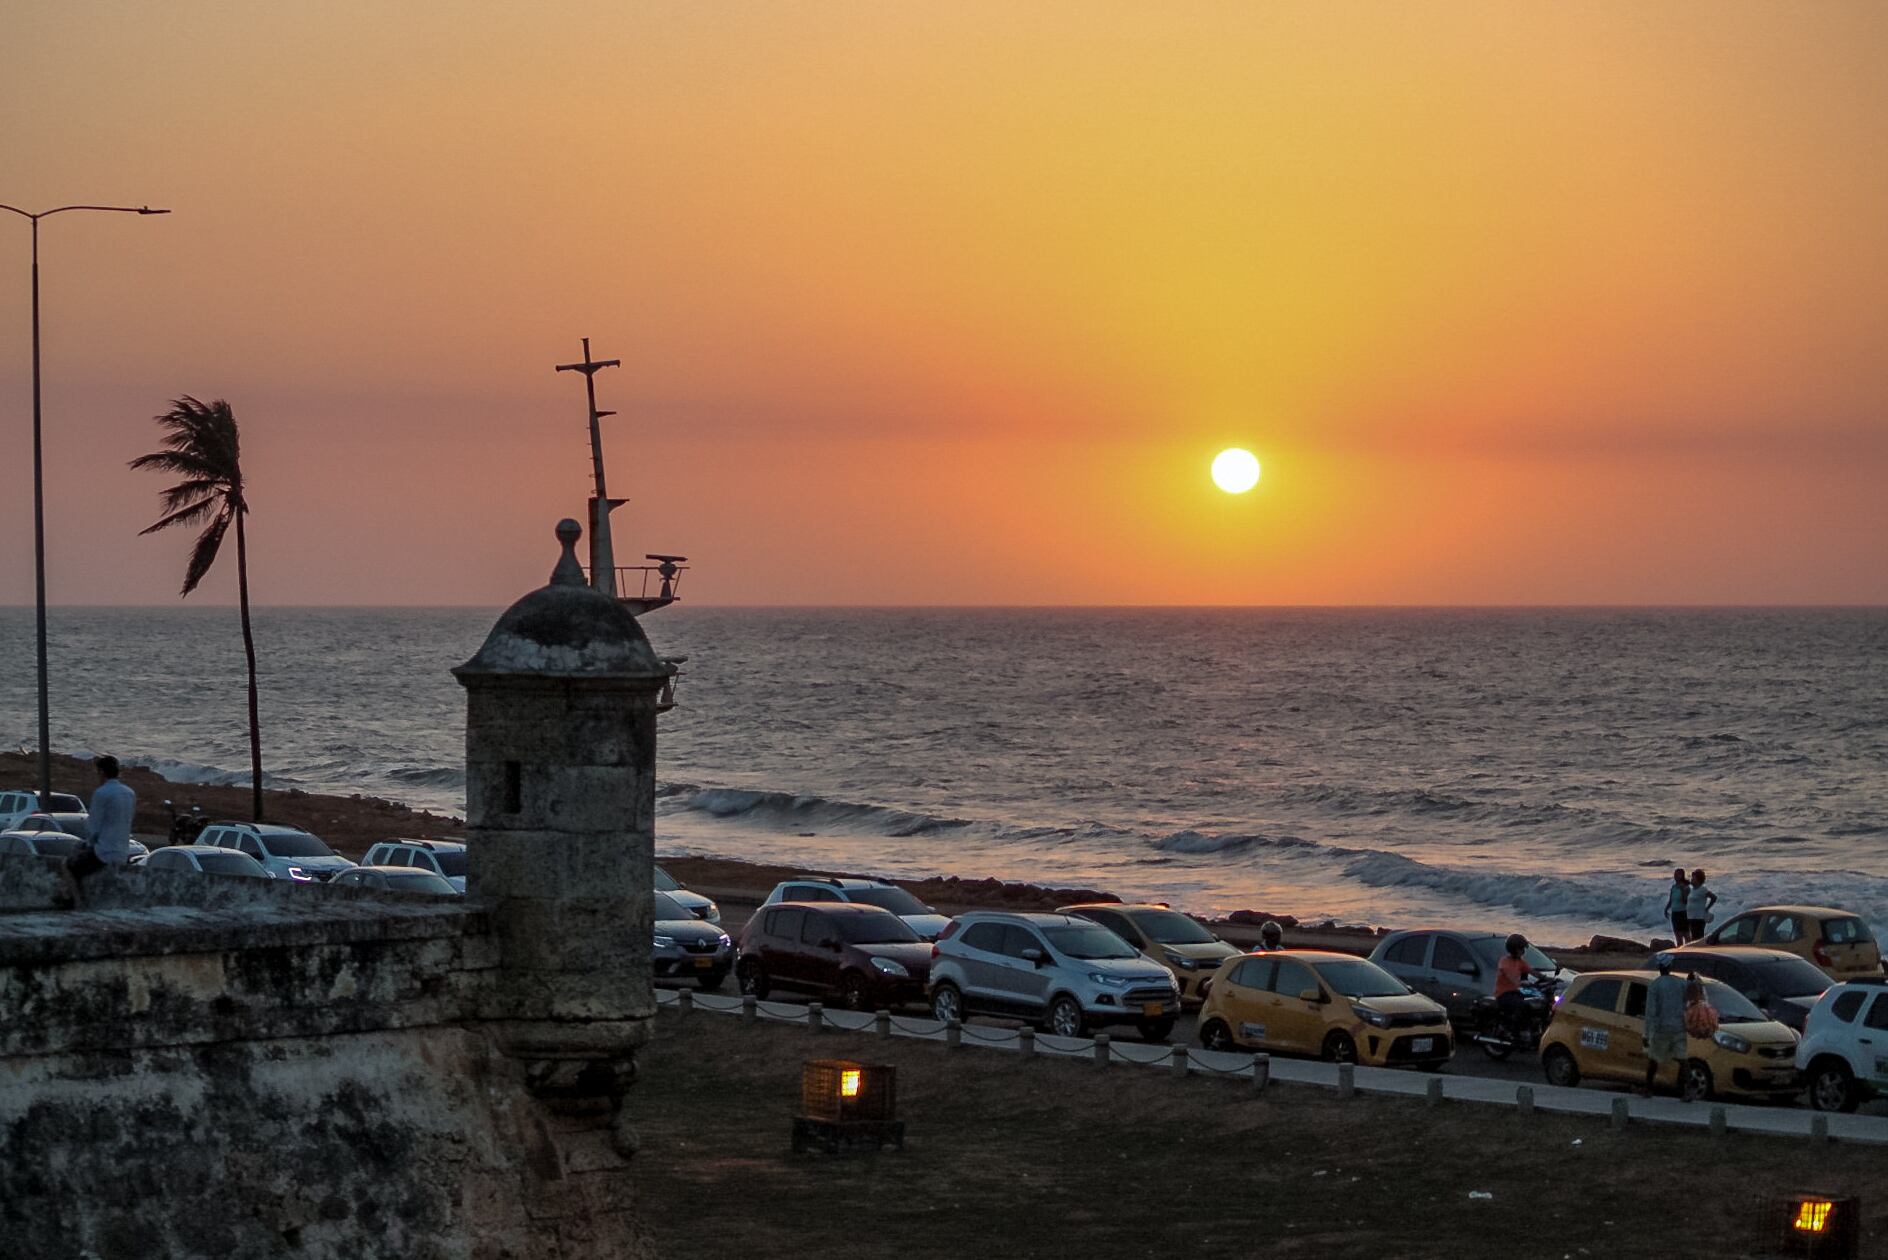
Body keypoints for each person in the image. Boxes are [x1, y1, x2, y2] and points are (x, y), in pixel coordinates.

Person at [58, 755, 136, 907]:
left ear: (101, 772)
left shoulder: (102, 793)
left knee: (68, 865)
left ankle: (77, 902)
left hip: (104, 852)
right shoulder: (129, 793)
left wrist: (87, 845)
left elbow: (93, 829)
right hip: (123, 850)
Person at [1641, 957, 1688, 1096]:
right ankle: (1688, 1090)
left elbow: (1650, 1012)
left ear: (1659, 968)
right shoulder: (1681, 983)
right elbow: (1687, 1003)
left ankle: (1648, 1089)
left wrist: (1646, 1034)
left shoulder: (1655, 985)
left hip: (1662, 1028)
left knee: (1654, 1059)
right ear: (1670, 966)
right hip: (1679, 1027)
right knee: (1683, 1059)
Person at [1494, 933, 1536, 1034]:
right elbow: (1510, 975)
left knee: (1532, 1002)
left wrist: (1546, 978)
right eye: (1521, 949)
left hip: (1514, 992)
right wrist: (1522, 983)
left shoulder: (1520, 961)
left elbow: (1531, 971)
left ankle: (1531, 1028)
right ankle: (1517, 1030)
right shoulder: (1504, 961)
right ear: (1514, 949)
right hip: (1503, 994)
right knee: (1521, 1006)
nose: (1523, 951)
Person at [1686, 870, 1718, 942]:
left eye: (1693, 878)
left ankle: (1699, 951)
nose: (1691, 880)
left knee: (1698, 937)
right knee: (1693, 937)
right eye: (1692, 878)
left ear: (1698, 880)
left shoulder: (1703, 889)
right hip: (1691, 917)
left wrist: (1707, 908)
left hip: (1699, 918)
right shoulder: (1692, 890)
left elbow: (1714, 897)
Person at [1664, 868, 1692, 943]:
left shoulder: (1686, 887)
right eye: (1675, 874)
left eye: (1677, 875)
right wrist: (1666, 909)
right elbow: (1671, 900)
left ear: (1681, 875)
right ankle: (1680, 951)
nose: (1675, 876)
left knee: (1686, 935)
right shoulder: (1673, 887)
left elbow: (1686, 902)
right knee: (1677, 934)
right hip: (1675, 913)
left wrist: (1682, 890)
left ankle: (1689, 951)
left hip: (1683, 913)